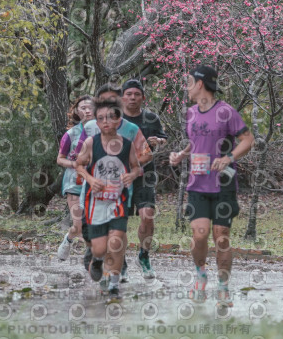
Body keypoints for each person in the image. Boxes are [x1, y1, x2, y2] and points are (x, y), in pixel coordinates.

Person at [169, 65, 254, 307]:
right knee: (199, 234)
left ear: (199, 84)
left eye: (189, 82)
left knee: (221, 236)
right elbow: (196, 142)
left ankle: (223, 288)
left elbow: (248, 140)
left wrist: (229, 157)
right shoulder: (190, 113)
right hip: (197, 185)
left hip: (223, 185)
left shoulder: (226, 112)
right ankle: (201, 276)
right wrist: (182, 155)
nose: (186, 87)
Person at [75, 83, 152, 280]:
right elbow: (79, 158)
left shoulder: (131, 129)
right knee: (92, 234)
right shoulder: (90, 127)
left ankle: (118, 270)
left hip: (119, 192)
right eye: (104, 100)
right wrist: (89, 177)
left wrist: (126, 165)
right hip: (93, 192)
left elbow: (146, 154)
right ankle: (95, 252)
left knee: (117, 231)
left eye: (113, 100)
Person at [121, 79, 167, 279]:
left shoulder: (151, 118)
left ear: (143, 97)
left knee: (147, 215)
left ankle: (144, 255)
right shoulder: (115, 119)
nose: (133, 98)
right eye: (129, 94)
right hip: (120, 176)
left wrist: (158, 141)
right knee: (119, 221)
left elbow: (162, 139)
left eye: (137, 94)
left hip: (145, 174)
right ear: (122, 97)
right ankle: (120, 261)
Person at [56, 96, 94, 261]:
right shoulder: (71, 134)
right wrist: (75, 164)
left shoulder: (104, 132)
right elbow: (60, 159)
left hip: (95, 182)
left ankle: (93, 258)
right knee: (78, 226)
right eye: (83, 108)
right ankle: (69, 239)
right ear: (77, 112)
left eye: (90, 107)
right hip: (74, 182)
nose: (87, 111)